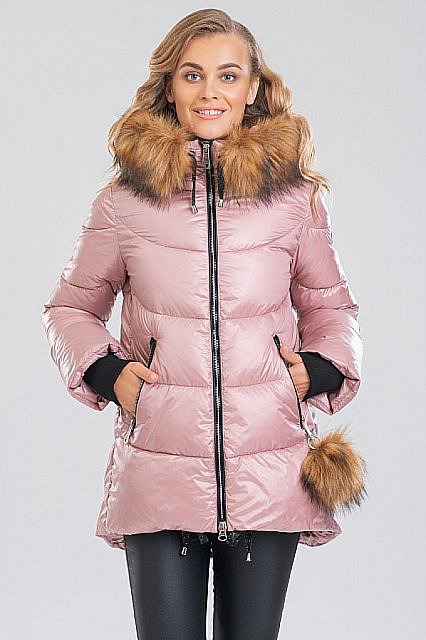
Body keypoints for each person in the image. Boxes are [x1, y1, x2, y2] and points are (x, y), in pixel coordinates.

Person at [41, 8, 362, 640]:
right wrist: (107, 372)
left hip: (269, 467)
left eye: (228, 75)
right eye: (192, 75)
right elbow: (69, 308)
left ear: (252, 88)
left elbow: (332, 306)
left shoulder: (294, 200)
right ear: (169, 86)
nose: (210, 92)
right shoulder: (122, 203)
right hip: (158, 465)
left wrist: (319, 368)